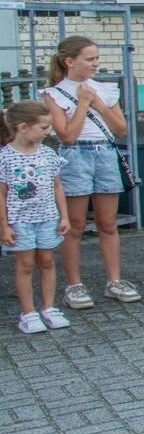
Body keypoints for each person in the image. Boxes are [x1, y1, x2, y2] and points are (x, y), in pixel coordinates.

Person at [43, 36, 140, 309]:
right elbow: (67, 136)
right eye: (90, 59)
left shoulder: (104, 89)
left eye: (97, 58)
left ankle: (114, 281)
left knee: (107, 223)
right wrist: (83, 103)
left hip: (105, 154)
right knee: (74, 225)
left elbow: (120, 129)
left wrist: (98, 104)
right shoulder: (54, 94)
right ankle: (74, 285)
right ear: (70, 61)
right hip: (75, 156)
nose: (96, 63)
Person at [1, 101, 70, 333]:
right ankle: (28, 313)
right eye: (43, 127)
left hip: (47, 217)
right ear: (23, 127)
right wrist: (4, 226)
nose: (48, 131)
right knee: (26, 264)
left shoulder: (48, 154)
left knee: (47, 261)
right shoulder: (5, 157)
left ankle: (48, 308)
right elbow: (1, 194)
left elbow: (57, 186)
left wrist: (64, 216)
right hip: (20, 221)